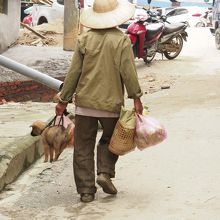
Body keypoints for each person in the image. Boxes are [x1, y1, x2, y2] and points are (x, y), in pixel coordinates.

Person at [55, 0, 143, 203]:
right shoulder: (121, 41)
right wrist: (136, 97)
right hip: (111, 105)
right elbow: (128, 73)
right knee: (111, 141)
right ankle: (104, 172)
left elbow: (74, 73)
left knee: (83, 147)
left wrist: (64, 100)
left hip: (85, 104)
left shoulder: (84, 40)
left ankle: (86, 191)